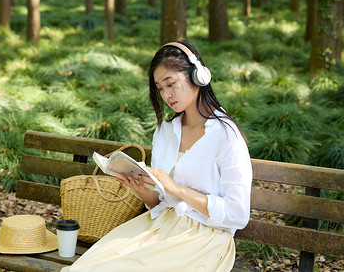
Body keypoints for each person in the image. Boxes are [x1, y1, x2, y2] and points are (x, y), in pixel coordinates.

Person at [61, 40, 252, 272]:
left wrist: (178, 189)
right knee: (84, 268)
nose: (166, 95)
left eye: (171, 84)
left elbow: (237, 214)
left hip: (204, 237)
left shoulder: (226, 136)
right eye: (160, 88)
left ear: (198, 77)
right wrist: (144, 191)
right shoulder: (165, 132)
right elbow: (161, 203)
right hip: (161, 225)